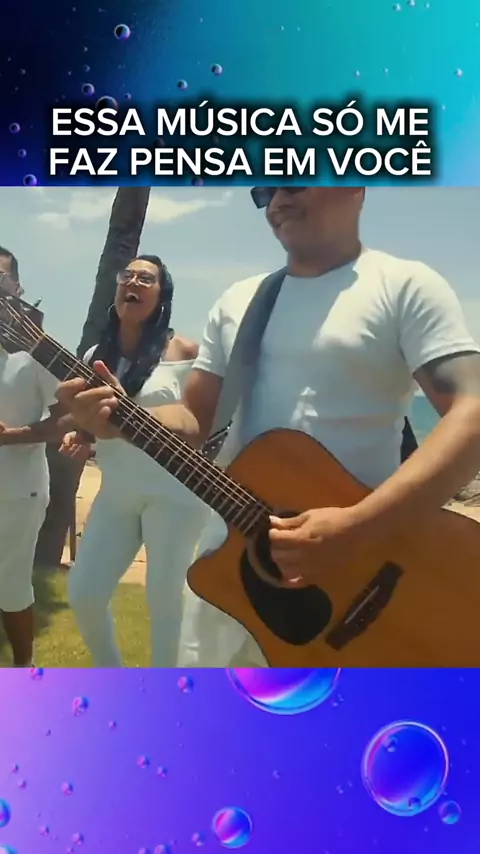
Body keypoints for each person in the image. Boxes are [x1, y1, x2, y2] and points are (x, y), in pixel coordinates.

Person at [56, 188, 480, 667]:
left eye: (292, 180)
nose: (276, 200)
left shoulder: (404, 286)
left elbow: (471, 411)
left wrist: (356, 527)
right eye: (264, 190)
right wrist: (122, 416)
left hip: (362, 576)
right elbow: (195, 419)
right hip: (227, 579)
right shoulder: (240, 301)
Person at [60, 255, 208, 667]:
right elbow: (97, 419)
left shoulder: (185, 350)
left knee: (166, 603)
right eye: (128, 276)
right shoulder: (96, 354)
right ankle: (114, 677)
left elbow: (205, 419)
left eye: (147, 279)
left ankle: (169, 696)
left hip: (175, 495)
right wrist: (82, 434)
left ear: (162, 296)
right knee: (85, 594)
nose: (134, 283)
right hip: (117, 493)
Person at [0, 246, 64, 666]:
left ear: (16, 288)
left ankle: (24, 672)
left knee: (10, 588)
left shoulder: (38, 351)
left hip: (17, 494)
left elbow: (65, 418)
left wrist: (11, 437)